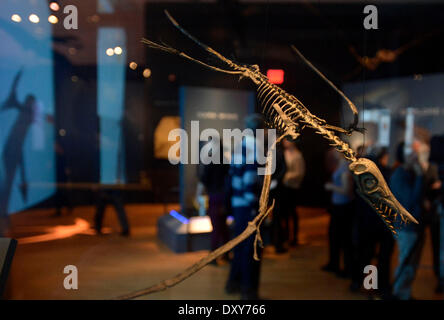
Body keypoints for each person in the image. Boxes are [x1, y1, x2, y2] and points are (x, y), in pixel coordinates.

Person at [225, 114, 265, 300]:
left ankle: (233, 283)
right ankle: (248, 291)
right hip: (248, 206)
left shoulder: (241, 144)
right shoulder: (254, 146)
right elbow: (250, 178)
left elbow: (234, 175)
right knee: (252, 248)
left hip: (238, 203)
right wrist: (253, 206)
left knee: (240, 246)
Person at [350, 147, 395, 298]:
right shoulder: (386, 174)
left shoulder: (360, 177)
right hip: (382, 224)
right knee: (381, 257)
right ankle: (380, 288)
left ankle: (367, 285)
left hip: (367, 223)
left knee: (366, 255)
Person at [390, 141, 424, 300]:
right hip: (406, 227)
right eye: (412, 153)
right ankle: (399, 294)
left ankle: (404, 294)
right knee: (406, 264)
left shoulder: (407, 173)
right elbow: (411, 200)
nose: (416, 157)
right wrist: (420, 176)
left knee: (411, 264)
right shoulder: (399, 175)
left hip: (412, 227)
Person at [322, 149, 355, 277]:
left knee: (343, 238)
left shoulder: (345, 167)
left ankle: (347, 269)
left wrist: (331, 187)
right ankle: (335, 264)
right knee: (336, 237)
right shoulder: (342, 165)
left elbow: (347, 190)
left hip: (343, 208)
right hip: (339, 206)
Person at [197, 137, 230, 264]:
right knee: (223, 227)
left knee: (216, 227)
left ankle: (213, 256)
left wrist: (199, 194)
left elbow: (204, 180)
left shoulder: (210, 161)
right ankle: (226, 254)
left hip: (215, 197)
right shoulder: (225, 160)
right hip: (224, 197)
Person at [281, 138, 305, 246]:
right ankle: (285, 236)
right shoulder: (284, 153)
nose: (284, 142)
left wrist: (286, 177)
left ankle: (294, 237)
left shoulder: (297, 155)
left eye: (287, 140)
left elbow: (300, 172)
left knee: (292, 212)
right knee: (284, 212)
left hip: (293, 186)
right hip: (284, 186)